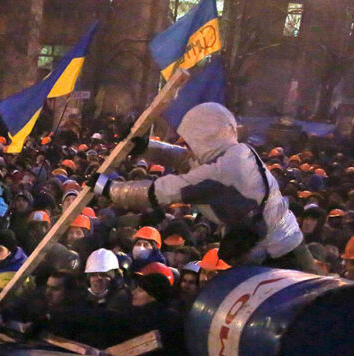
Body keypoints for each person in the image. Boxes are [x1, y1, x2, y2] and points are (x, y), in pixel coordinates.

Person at [96, 102, 315, 272]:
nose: (188, 148)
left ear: (206, 137)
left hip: (279, 254)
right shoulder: (231, 154)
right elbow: (184, 159)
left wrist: (109, 189)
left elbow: (163, 190)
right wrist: (143, 147)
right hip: (263, 247)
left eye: (192, 141)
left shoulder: (228, 168)